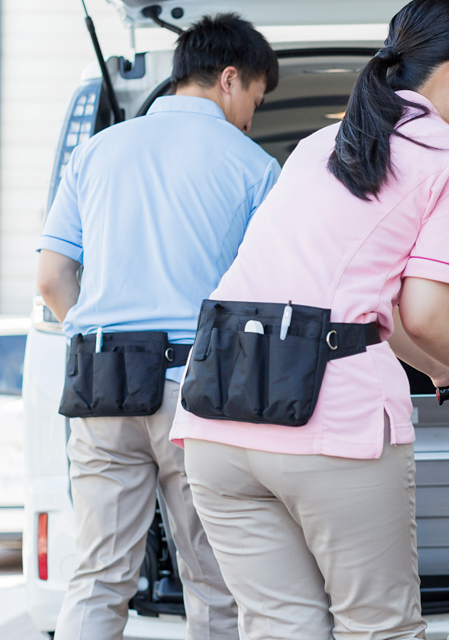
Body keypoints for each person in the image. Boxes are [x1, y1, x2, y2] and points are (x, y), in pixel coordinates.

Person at [168, 1, 449, 639]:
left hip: (216, 421)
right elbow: (425, 312)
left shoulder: (320, 145)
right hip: (328, 423)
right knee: (379, 629)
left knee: (279, 628)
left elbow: (356, 304)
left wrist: (436, 368)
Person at [35, 14, 280, 640]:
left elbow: (52, 276)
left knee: (97, 576)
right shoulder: (254, 167)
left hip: (100, 382)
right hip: (197, 390)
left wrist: (95, 335)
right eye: (256, 96)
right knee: (215, 580)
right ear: (230, 79)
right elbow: (271, 293)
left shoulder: (96, 151)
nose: (252, 114)